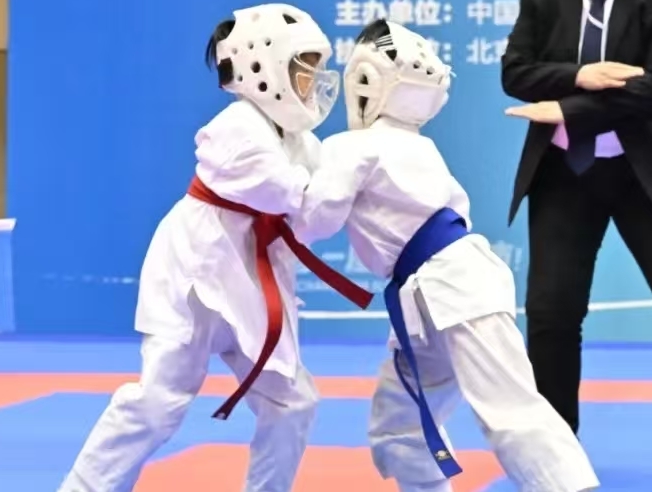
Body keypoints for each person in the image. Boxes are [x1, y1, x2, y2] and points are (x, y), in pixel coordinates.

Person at [292, 20, 600, 492]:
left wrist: (291, 175)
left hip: (453, 289)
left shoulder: (352, 148)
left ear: (366, 81)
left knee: (510, 411)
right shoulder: (420, 146)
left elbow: (315, 220)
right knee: (400, 422)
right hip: (435, 295)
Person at [57, 4, 347, 491]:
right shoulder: (236, 128)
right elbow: (293, 195)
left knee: (292, 402)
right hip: (195, 272)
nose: (314, 81)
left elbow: (317, 219)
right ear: (264, 66)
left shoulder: (302, 141)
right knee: (158, 405)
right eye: (305, 67)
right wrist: (355, 170)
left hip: (251, 276)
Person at [501, 0, 652, 436]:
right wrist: (578, 76)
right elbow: (516, 74)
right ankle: (554, 449)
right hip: (563, 170)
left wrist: (571, 111)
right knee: (552, 313)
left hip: (642, 170)